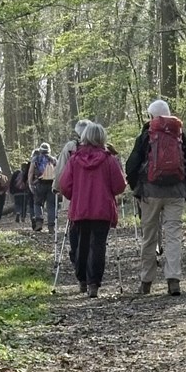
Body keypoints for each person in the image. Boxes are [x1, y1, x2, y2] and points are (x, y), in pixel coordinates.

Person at [123, 97, 186, 295]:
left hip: (150, 192)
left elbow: (131, 165)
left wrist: (136, 189)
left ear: (151, 116)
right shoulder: (179, 134)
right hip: (176, 192)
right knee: (173, 235)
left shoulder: (147, 135)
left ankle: (146, 282)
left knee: (149, 236)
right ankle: (173, 279)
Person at [57, 119, 125, 297]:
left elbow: (64, 185)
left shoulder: (74, 159)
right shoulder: (109, 160)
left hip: (80, 209)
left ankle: (82, 281)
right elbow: (119, 185)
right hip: (102, 209)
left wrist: (76, 195)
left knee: (81, 244)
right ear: (102, 138)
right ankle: (94, 283)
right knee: (98, 246)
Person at [28, 142, 58, 234]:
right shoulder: (53, 160)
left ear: (40, 150)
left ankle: (39, 222)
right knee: (51, 206)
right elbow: (58, 172)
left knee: (37, 204)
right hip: (51, 184)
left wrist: (30, 183)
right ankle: (51, 226)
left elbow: (31, 172)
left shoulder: (36, 158)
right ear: (49, 151)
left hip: (40, 184)